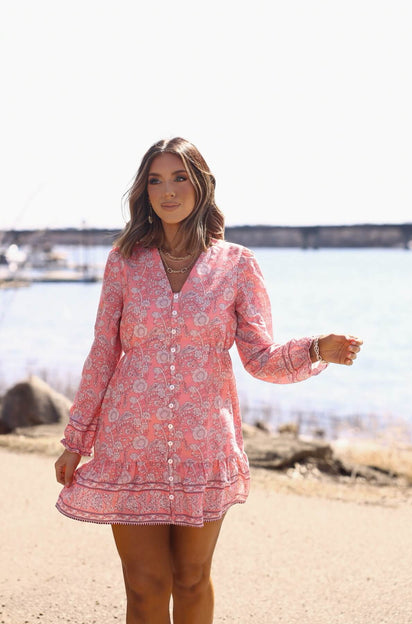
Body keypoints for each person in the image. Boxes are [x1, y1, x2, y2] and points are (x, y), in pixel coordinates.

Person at [55, 137, 362, 624]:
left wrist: (314, 349)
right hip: (130, 444)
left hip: (206, 448)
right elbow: (103, 354)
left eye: (180, 177)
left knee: (192, 578)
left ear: (201, 185)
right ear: (144, 191)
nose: (167, 191)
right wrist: (77, 438)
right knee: (145, 585)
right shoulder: (124, 262)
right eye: (155, 180)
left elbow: (258, 357)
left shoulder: (237, 265)